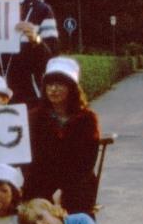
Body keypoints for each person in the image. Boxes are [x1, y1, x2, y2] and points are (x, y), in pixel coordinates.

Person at [26, 57, 101, 215]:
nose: (53, 89)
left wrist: (64, 190)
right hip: (42, 181)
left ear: (72, 88)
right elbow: (32, 158)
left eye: (59, 84)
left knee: (76, 201)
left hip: (76, 183)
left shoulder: (87, 119)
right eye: (49, 84)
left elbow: (86, 163)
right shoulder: (34, 117)